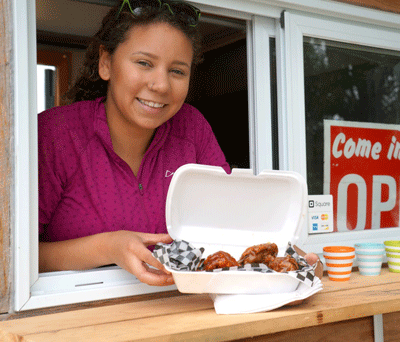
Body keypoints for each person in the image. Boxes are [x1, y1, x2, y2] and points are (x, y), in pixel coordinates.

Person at [38, 0, 231, 286]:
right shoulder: (55, 134)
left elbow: (230, 223)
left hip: (176, 307)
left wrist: (274, 250)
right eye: (144, 63)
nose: (161, 85)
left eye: (177, 71)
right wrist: (108, 247)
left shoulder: (192, 129)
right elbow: (12, 255)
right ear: (106, 63)